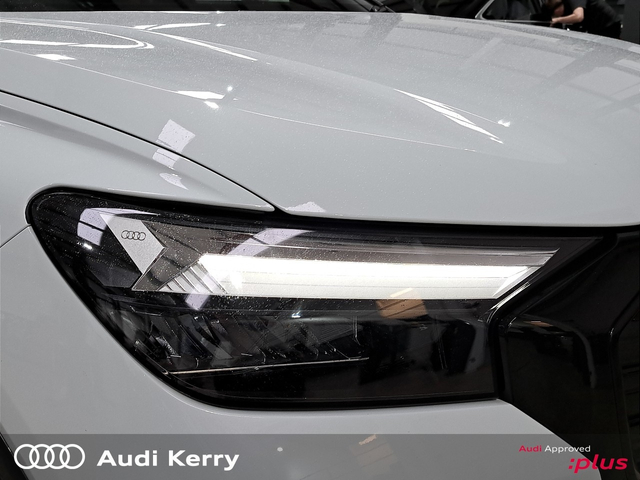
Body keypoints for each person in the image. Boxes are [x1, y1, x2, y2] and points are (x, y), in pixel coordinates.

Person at [546, 0, 622, 38]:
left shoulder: (574, 1)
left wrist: (558, 20)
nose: (555, 16)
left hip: (607, 24)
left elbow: (579, 17)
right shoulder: (568, 7)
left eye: (554, 13)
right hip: (595, 25)